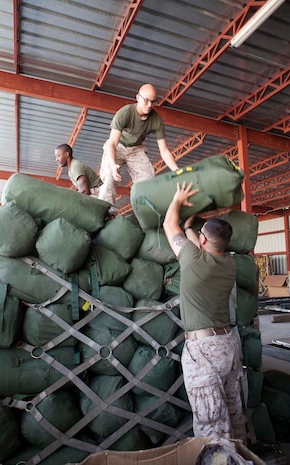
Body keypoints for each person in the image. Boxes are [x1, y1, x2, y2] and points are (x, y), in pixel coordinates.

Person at [163, 181, 246, 443]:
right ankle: (241, 455)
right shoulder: (228, 263)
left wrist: (177, 199)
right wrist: (189, 227)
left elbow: (167, 225)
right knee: (233, 413)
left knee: (212, 423)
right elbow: (198, 248)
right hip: (227, 345)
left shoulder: (194, 259)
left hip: (204, 351)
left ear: (202, 240)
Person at [98, 83, 179, 216]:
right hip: (118, 145)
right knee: (109, 176)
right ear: (137, 98)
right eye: (146, 100)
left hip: (136, 149)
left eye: (153, 102)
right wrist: (113, 165)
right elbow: (112, 142)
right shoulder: (125, 113)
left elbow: (164, 150)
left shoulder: (156, 120)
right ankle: (106, 209)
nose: (149, 105)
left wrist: (177, 170)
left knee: (148, 178)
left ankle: (145, 211)